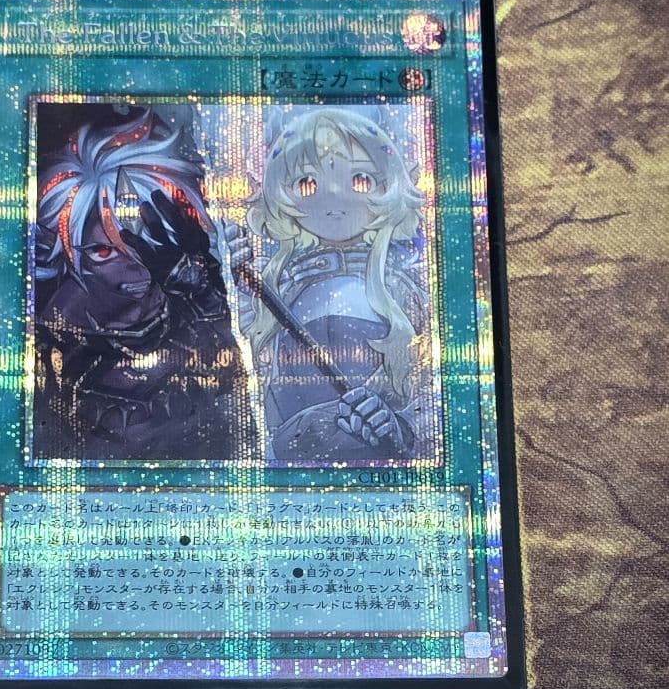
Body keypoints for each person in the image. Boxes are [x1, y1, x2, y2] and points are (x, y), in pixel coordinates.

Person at [34, 106, 252, 461]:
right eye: (103, 251)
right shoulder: (56, 338)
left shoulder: (193, 297)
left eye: (146, 245)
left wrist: (211, 282)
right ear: (70, 253)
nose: (135, 269)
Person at [228, 106, 427, 463]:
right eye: (307, 183)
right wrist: (226, 274)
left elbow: (431, 389)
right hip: (289, 467)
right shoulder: (275, 288)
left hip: (379, 470)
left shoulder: (402, 290)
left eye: (360, 180)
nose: (334, 200)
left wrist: (399, 428)